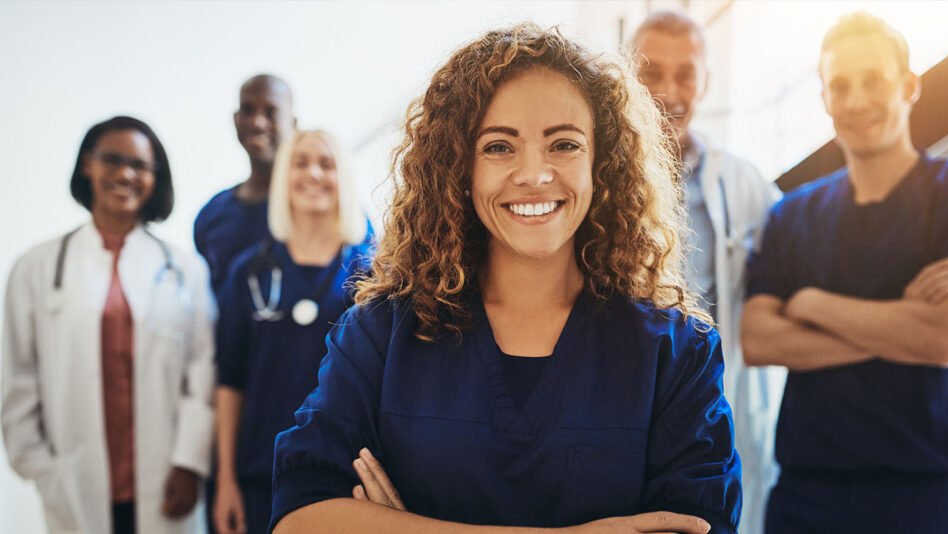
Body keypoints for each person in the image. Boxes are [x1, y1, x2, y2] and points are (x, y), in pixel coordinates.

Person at [270, 24, 741, 534]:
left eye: (564, 144)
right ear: (458, 167)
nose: (534, 174)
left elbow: (696, 524)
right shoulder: (381, 335)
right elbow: (300, 516)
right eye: (499, 147)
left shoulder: (675, 353)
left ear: (602, 163)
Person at [741, 12, 948, 534]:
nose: (857, 100)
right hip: (808, 498)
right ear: (824, 99)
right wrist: (903, 323)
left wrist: (812, 306)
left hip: (929, 497)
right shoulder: (791, 215)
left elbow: (943, 339)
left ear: (909, 86)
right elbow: (758, 340)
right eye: (840, 85)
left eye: (875, 81)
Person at [2, 116, 216, 534]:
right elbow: (19, 378)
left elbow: (202, 369)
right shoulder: (36, 268)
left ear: (156, 177)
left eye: (140, 165)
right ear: (87, 165)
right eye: (112, 160)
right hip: (74, 483)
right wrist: (44, 471)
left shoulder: (184, 268)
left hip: (168, 482)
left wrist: (189, 463)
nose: (125, 174)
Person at [631, 12, 781, 533]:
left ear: (706, 82)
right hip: (621, 400)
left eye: (686, 75)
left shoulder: (743, 184)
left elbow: (796, 271)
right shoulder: (586, 175)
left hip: (707, 409)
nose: (669, 92)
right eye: (651, 73)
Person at [211, 130, 374, 534]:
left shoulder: (372, 274)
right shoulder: (249, 271)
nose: (313, 174)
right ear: (283, 176)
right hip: (257, 474)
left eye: (327, 163)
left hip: (342, 476)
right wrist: (225, 481)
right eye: (300, 163)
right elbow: (229, 382)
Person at [194, 74, 298, 293]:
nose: (257, 123)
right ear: (235, 119)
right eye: (248, 110)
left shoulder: (323, 209)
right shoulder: (211, 215)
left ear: (293, 124)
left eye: (271, 112)